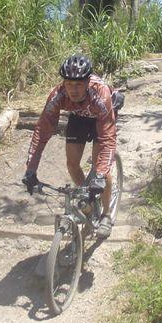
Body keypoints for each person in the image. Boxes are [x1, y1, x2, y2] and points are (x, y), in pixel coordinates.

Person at [22, 54, 122, 239]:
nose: (73, 90)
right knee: (72, 164)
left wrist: (99, 174)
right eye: (68, 84)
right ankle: (88, 199)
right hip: (79, 116)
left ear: (87, 81)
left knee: (102, 168)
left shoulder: (100, 92)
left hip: (102, 114)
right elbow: (41, 132)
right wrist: (31, 169)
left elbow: (108, 139)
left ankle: (106, 214)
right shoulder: (57, 95)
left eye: (78, 85)